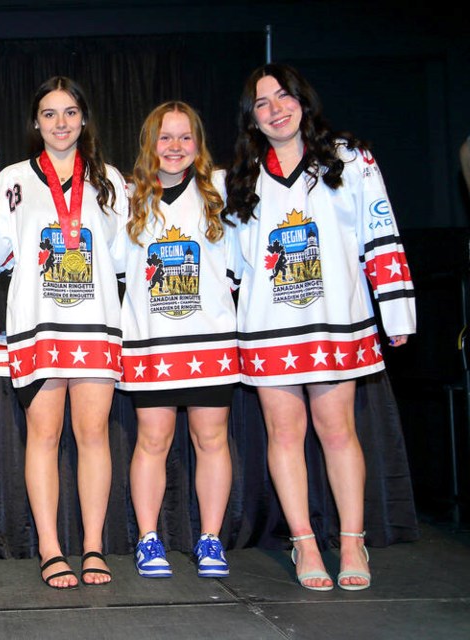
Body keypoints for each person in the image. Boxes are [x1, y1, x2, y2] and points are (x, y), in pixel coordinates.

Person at [223, 63, 416, 591]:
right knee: (284, 435)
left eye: (283, 97)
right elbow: (235, 267)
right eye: (262, 103)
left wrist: (396, 310)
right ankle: (304, 542)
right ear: (252, 119)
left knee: (338, 432)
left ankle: (352, 540)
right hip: (269, 327)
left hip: (335, 322)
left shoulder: (349, 159)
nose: (275, 109)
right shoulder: (241, 176)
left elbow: (381, 235)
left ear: (303, 102)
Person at [0, 76, 127, 589]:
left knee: (93, 435)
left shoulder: (109, 179)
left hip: (95, 321)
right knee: (43, 437)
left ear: (84, 119)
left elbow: (123, 258)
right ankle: (50, 547)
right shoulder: (11, 180)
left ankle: (92, 546)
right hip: (38, 324)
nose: (61, 123)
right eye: (50, 113)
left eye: (70, 112)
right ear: (35, 122)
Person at [114, 101, 238, 579]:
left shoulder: (220, 191)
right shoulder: (128, 197)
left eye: (185, 138)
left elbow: (238, 265)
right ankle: (149, 539)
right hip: (150, 343)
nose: (175, 147)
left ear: (198, 145)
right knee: (153, 440)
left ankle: (210, 538)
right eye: (165, 138)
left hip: (207, 339)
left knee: (211, 439)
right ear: (150, 143)